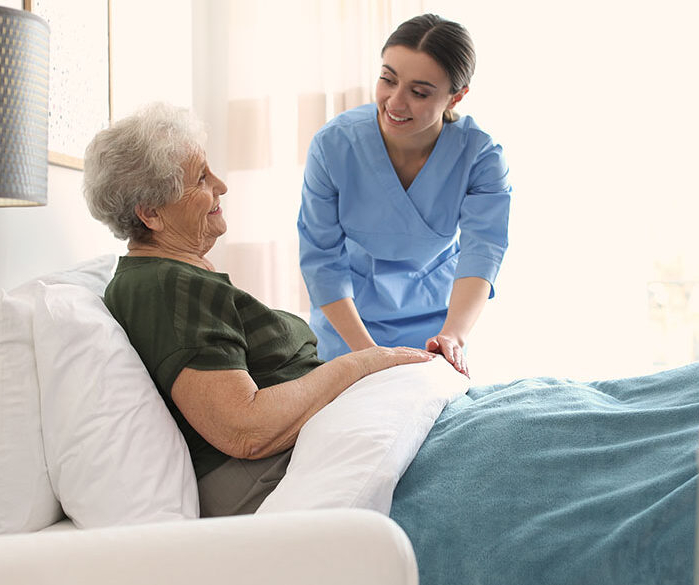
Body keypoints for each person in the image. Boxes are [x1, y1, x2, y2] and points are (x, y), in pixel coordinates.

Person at [83, 102, 436, 516]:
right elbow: (244, 429)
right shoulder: (165, 286)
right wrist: (364, 364)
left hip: (305, 448)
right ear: (151, 214)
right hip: (271, 473)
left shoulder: (171, 276)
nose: (221, 185)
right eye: (200, 177)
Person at [298, 13, 511, 376]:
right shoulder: (334, 146)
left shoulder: (480, 157)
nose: (394, 103)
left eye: (419, 92)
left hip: (437, 323)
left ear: (455, 97)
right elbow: (321, 261)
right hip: (348, 323)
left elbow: (482, 253)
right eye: (387, 79)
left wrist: (453, 336)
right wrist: (369, 356)